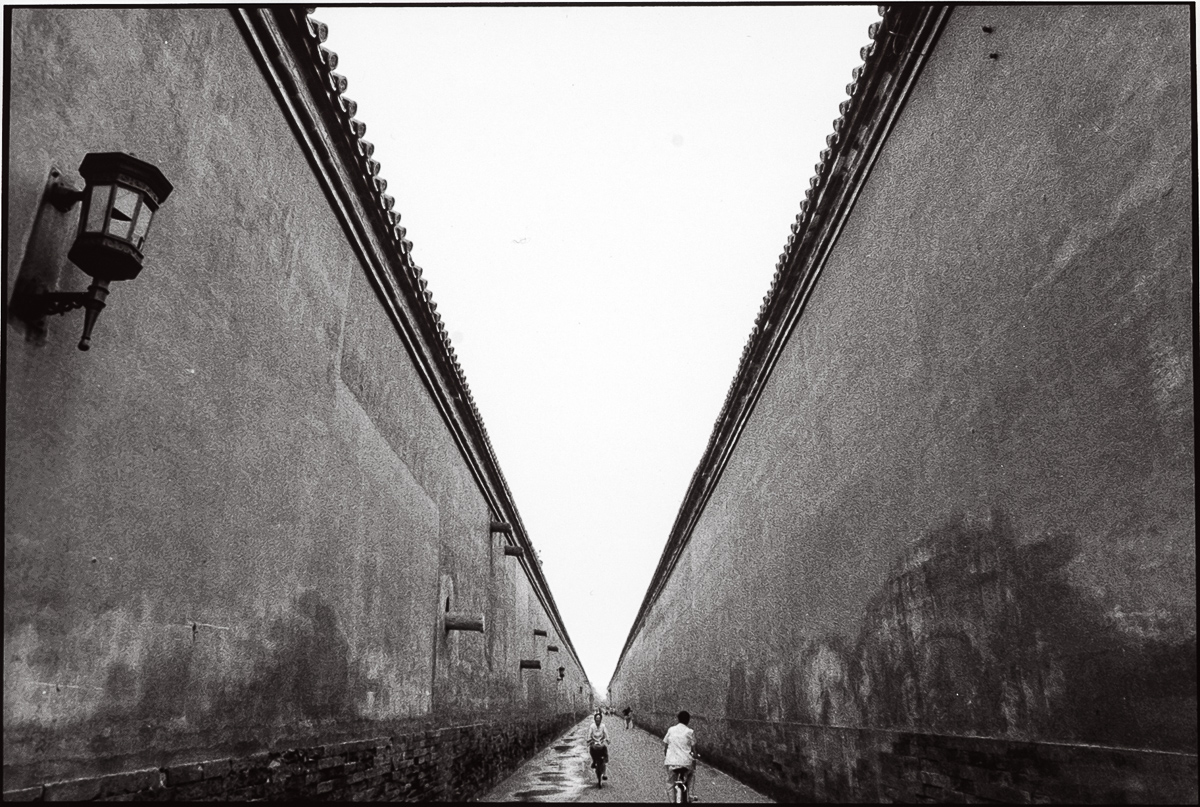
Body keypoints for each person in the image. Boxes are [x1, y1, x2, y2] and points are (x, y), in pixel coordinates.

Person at [663, 710, 696, 801]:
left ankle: (672, 801)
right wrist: (695, 756)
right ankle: (690, 795)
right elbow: (694, 750)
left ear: (678, 719)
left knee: (670, 783)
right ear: (688, 721)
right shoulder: (690, 732)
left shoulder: (671, 729)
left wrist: (668, 757)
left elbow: (665, 747)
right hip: (686, 763)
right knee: (691, 775)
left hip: (671, 762)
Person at [587, 711, 609, 780]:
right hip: (594, 742)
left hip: (601, 742)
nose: (598, 719)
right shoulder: (592, 726)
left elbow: (606, 733)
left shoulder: (603, 726)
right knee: (591, 749)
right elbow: (589, 734)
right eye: (596, 718)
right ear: (594, 719)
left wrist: (607, 739)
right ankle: (594, 761)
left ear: (601, 719)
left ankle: (604, 773)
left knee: (604, 750)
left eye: (599, 718)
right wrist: (589, 739)